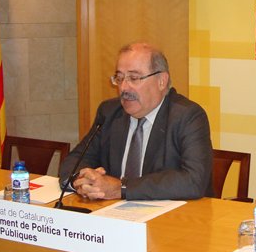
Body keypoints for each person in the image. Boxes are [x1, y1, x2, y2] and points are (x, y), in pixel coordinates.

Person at [59, 42, 214, 201]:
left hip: (175, 218)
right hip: (114, 214)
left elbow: (193, 180)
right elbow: (75, 160)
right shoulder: (110, 112)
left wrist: (122, 188)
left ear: (161, 80)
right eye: (119, 78)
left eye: (134, 78)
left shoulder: (187, 116)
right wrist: (84, 181)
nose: (124, 88)